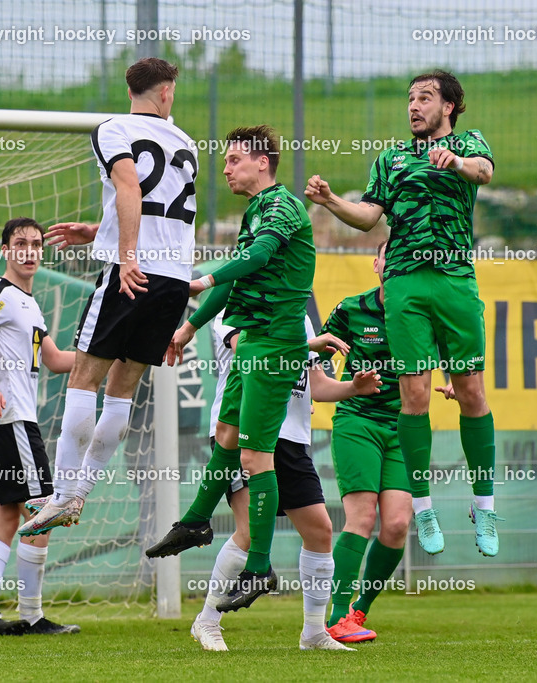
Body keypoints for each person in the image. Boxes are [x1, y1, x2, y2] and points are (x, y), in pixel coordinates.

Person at [305, 69, 500, 557]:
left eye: (426, 98)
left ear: (449, 107)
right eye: (410, 98)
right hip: (405, 282)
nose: (414, 106)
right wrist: (330, 201)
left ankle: (484, 505)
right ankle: (425, 504)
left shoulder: (470, 143)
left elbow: (484, 172)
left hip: (455, 277)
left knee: (472, 390)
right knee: (414, 394)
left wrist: (454, 161)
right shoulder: (389, 159)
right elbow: (369, 217)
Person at [19, 57, 197, 535]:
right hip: (175, 281)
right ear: (166, 93)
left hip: (132, 272)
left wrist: (125, 254)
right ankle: (79, 495)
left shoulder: (113, 128)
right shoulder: (185, 141)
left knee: (83, 379)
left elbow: (131, 186)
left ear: (133, 89)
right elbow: (159, 208)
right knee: (123, 391)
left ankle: (59, 496)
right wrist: (100, 230)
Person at [145, 124, 315, 613]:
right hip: (251, 344)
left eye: (235, 159)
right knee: (224, 434)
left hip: (275, 346)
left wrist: (201, 280)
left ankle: (259, 567)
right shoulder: (257, 211)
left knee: (255, 460)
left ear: (263, 163)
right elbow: (239, 276)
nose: (225, 168)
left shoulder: (281, 206)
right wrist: (187, 328)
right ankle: (197, 519)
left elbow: (254, 258)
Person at [190, 309, 379, 652]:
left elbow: (317, 387)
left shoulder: (302, 318)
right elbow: (256, 353)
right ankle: (206, 621)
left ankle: (313, 633)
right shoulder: (234, 309)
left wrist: (354, 386)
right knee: (248, 532)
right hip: (244, 433)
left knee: (320, 530)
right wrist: (310, 344)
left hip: (292, 438)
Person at [0, 218, 80, 637]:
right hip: (10, 423)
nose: (29, 251)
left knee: (5, 519)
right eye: (20, 243)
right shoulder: (0, 293)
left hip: (4, 425)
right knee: (43, 514)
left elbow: (57, 360)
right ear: (6, 250)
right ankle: (33, 615)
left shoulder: (31, 304)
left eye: (36, 244)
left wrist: (113, 356)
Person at [319, 242, 416, 644]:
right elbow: (317, 358)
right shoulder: (351, 309)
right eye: (387, 256)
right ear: (375, 263)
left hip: (404, 428)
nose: (393, 262)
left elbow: (451, 355)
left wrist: (452, 384)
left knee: (396, 525)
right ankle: (337, 615)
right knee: (362, 518)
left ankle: (359, 611)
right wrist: (347, 386)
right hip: (358, 420)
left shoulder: (422, 311)